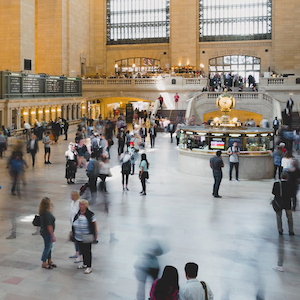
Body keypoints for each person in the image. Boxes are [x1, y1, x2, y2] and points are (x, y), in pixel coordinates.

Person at [72, 199, 97, 274]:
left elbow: (94, 224)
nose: (80, 206)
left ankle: (89, 266)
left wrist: (95, 234)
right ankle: (85, 264)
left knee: (87, 251)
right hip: (78, 236)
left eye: (82, 205)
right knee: (82, 250)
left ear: (85, 206)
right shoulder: (78, 213)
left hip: (87, 236)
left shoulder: (90, 214)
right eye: (79, 204)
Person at [39, 197, 56, 269]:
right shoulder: (47, 214)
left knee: (49, 246)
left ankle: (49, 260)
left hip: (43, 231)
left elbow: (51, 213)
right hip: (47, 232)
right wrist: (52, 235)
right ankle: (44, 262)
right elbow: (49, 226)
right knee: (47, 247)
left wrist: (52, 206)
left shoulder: (43, 211)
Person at [69, 191, 82, 263]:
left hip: (78, 224)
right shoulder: (72, 203)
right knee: (75, 239)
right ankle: (76, 252)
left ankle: (80, 254)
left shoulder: (79, 203)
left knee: (79, 239)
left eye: (73, 195)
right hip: (73, 223)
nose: (71, 196)